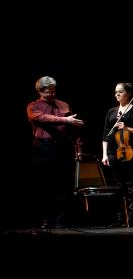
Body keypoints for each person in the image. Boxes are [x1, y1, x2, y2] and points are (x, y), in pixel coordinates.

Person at [27, 76, 84, 229]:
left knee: (63, 185)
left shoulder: (64, 104)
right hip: (43, 148)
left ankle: (60, 220)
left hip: (62, 147)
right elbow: (43, 118)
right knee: (45, 185)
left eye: (54, 91)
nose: (52, 95)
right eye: (48, 92)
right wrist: (66, 120)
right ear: (39, 91)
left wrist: (78, 148)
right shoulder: (34, 106)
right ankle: (46, 219)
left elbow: (74, 129)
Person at [102, 82, 133, 226]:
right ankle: (119, 218)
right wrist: (104, 155)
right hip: (112, 153)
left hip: (129, 153)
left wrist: (127, 128)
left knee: (131, 186)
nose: (117, 94)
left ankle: (132, 218)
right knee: (117, 186)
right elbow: (105, 136)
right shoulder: (111, 112)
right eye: (115, 92)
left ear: (128, 94)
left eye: (120, 92)